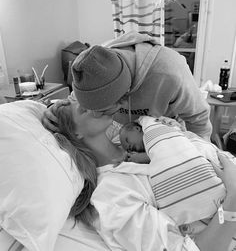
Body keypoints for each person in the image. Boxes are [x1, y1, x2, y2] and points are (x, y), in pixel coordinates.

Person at [52, 99, 236, 251]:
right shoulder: (111, 194)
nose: (90, 102)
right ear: (73, 132)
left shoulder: (138, 137)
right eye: (78, 106)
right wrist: (233, 199)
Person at [43, 31, 212, 140]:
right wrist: (57, 108)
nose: (94, 114)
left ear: (124, 98)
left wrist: (201, 156)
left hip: (167, 134)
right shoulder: (93, 65)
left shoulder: (170, 72)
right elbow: (77, 100)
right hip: (129, 138)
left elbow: (199, 121)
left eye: (102, 111)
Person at [119, 115, 228, 227]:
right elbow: (158, 158)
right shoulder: (148, 151)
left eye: (127, 140)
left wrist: (139, 158)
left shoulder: (156, 130)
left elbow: (165, 149)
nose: (129, 147)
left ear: (137, 129)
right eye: (127, 148)